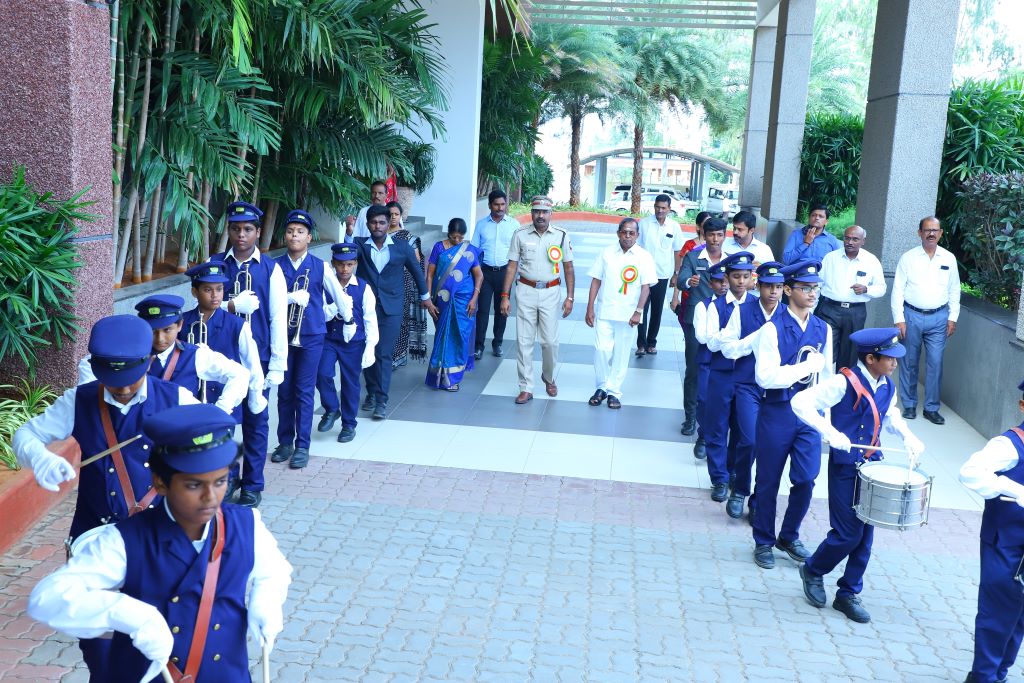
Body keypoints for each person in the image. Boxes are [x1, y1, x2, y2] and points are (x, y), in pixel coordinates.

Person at [27, 403, 291, 683]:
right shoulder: (125, 540)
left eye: (220, 481)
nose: (210, 497)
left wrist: (267, 599)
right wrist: (127, 613)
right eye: (193, 485)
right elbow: (47, 598)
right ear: (160, 483)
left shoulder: (248, 524)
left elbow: (274, 571)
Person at [12, 315, 198, 674]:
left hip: (158, 539)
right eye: (113, 383)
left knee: (162, 641)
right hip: (94, 539)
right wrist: (40, 458)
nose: (122, 389)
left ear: (148, 362)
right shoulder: (79, 400)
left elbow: (212, 457)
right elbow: (25, 436)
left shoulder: (178, 399)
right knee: (100, 649)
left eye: (130, 380)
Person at [792, 328, 924, 623]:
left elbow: (890, 415)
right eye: (890, 358)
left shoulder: (887, 385)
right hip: (845, 466)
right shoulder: (843, 381)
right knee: (847, 533)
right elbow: (800, 402)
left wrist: (908, 437)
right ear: (871, 358)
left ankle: (848, 592)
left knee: (865, 535)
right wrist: (830, 432)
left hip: (872, 466)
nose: (895, 363)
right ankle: (813, 569)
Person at [750, 260, 833, 569]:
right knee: (768, 479)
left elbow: (827, 377)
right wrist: (805, 367)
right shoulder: (771, 329)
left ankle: (788, 535)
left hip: (809, 413)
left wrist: (827, 423)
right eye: (805, 288)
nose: (812, 293)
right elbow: (765, 377)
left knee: (807, 478)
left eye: (815, 288)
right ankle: (763, 540)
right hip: (778, 410)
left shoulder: (823, 328)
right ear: (787, 290)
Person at [210, 200, 288, 507]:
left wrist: (278, 363)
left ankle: (253, 483)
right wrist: (230, 305)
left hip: (258, 357)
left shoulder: (271, 268)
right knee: (222, 421)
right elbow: (204, 306)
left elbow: (278, 317)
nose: (241, 235)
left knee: (256, 422)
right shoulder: (215, 262)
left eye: (247, 229)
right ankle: (227, 478)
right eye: (235, 229)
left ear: (257, 232)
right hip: (222, 357)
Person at [270, 210, 346, 471]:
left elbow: (338, 295)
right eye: (291, 231)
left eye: (300, 232)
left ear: (309, 237)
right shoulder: (274, 266)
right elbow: (268, 301)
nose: (295, 236)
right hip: (282, 336)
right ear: (285, 236)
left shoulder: (320, 266)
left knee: (303, 391)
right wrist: (289, 298)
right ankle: (284, 442)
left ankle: (302, 445)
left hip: (311, 335)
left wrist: (345, 318)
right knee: (284, 391)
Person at [960, 379, 1024, 683]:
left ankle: (998, 674)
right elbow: (969, 472)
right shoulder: (1008, 444)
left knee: (1020, 617)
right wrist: (1014, 489)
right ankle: (984, 677)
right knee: (997, 613)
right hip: (1006, 543)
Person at [355, 205, 438, 419]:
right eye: (374, 222)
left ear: (389, 223)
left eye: (382, 222)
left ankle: (381, 400)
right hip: (366, 308)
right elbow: (343, 258)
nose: (378, 226)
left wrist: (426, 297)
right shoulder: (360, 245)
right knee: (368, 350)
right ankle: (371, 393)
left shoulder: (402, 247)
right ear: (368, 225)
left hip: (392, 308)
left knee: (384, 353)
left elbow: (417, 273)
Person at [720, 261, 786, 519]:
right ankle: (739, 490)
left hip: (777, 389)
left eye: (778, 287)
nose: (773, 292)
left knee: (772, 447)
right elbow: (727, 348)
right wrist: (755, 339)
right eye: (768, 286)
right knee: (749, 440)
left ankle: (760, 498)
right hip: (748, 385)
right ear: (758, 286)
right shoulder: (743, 311)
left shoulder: (787, 314)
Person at [500, 195, 575, 404]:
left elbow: (568, 267)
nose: (540, 216)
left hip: (551, 292)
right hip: (525, 291)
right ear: (532, 213)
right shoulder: (520, 234)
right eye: (536, 212)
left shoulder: (561, 235)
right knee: (524, 341)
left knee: (550, 342)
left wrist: (570, 297)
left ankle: (548, 377)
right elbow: (512, 266)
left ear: (551, 214)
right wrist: (504, 296)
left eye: (544, 212)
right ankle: (526, 387)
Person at [891, 215, 960, 425]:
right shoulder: (908, 258)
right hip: (911, 316)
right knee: (909, 361)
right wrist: (899, 319)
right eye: (927, 230)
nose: (931, 233)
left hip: (939, 318)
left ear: (940, 233)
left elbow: (954, 289)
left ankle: (931, 408)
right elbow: (897, 290)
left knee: (935, 363)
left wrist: (953, 317)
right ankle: (909, 404)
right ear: (919, 233)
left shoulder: (949, 258)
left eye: (935, 230)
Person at [180, 261, 267, 427]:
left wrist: (255, 395)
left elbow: (252, 364)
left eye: (219, 289)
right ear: (194, 292)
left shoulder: (237, 325)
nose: (215, 295)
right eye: (208, 290)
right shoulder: (181, 323)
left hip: (225, 399)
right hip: (189, 400)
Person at [584, 217, 657, 409]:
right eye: (624, 232)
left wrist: (638, 312)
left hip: (628, 315)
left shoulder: (644, 256)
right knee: (601, 350)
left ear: (637, 235)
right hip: (605, 311)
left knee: (621, 354)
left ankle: (614, 392)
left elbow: (646, 287)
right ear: (618, 233)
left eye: (632, 233)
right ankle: (601, 387)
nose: (627, 236)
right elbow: (596, 280)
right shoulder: (607, 252)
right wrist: (590, 307)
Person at [703, 251, 756, 501]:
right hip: (721, 373)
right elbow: (712, 343)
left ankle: (733, 471)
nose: (741, 281)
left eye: (745, 276)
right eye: (736, 276)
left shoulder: (756, 305)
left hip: (747, 376)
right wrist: (731, 338)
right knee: (717, 426)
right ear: (727, 278)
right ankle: (719, 478)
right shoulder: (715, 306)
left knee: (742, 429)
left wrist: (731, 340)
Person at [317, 243, 379, 443]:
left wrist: (371, 346)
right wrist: (336, 306)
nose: (344, 269)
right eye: (340, 264)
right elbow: (319, 313)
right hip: (329, 338)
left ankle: (349, 424)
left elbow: (370, 319)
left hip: (354, 342)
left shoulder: (363, 288)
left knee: (350, 384)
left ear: (355, 264)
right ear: (333, 264)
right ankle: (331, 408)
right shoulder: (325, 285)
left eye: (349, 264)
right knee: (322, 373)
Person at [676, 217, 728, 443]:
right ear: (704, 235)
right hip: (696, 322)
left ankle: (715, 417)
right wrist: (690, 282)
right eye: (711, 235)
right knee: (694, 370)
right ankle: (690, 417)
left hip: (724, 321)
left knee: (721, 370)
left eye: (719, 235)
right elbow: (681, 280)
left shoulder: (731, 260)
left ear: (724, 236)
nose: (715, 239)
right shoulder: (693, 256)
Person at [425, 218, 483, 391]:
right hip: (442, 300)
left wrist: (474, 298)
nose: (457, 240)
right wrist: (428, 298)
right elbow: (430, 275)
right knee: (443, 335)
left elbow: (479, 275)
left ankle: (454, 377)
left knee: (460, 335)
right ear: (448, 233)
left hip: (465, 301)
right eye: (453, 237)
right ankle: (439, 375)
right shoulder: (439, 248)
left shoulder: (469, 250)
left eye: (460, 237)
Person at [818, 225, 887, 370]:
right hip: (829, 309)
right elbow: (818, 284)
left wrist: (866, 289)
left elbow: (882, 288)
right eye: (847, 238)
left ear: (863, 241)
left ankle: (844, 382)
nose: (850, 242)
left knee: (850, 353)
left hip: (855, 312)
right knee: (826, 349)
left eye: (855, 239)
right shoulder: (830, 258)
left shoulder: (871, 260)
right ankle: (824, 381)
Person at [635, 194, 686, 357]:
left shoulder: (674, 226)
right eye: (657, 207)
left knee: (657, 311)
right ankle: (641, 344)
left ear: (669, 209)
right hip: (643, 275)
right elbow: (637, 249)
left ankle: (652, 343)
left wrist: (676, 274)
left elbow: (678, 251)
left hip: (662, 275)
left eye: (663, 208)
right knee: (642, 309)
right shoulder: (644, 224)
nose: (660, 210)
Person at [471, 189, 519, 360]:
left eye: (503, 204)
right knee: (482, 311)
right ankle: (478, 346)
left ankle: (497, 343)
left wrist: (518, 274)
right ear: (490, 205)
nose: (500, 208)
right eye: (496, 204)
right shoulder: (481, 225)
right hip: (485, 273)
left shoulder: (514, 225)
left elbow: (519, 251)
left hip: (505, 273)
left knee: (502, 310)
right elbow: (474, 249)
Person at [387, 200, 427, 367]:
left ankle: (399, 355)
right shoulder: (379, 235)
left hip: (403, 282)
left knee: (401, 318)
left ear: (401, 216)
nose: (393, 217)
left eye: (396, 214)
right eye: (390, 214)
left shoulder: (407, 238)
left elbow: (416, 262)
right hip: (383, 283)